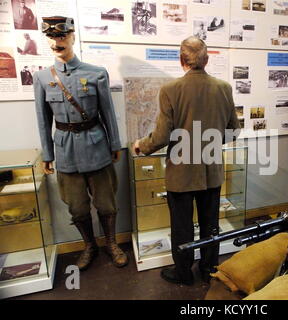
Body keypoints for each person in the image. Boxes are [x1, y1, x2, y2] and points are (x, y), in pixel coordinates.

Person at [133, 36, 240, 285]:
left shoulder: (170, 90)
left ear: (181, 59)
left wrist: (141, 145)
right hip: (211, 170)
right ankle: (209, 268)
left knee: (182, 226)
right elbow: (234, 130)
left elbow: (161, 136)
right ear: (207, 59)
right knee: (210, 224)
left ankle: (183, 273)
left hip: (181, 172)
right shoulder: (223, 88)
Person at [33, 16, 128, 270]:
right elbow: (43, 120)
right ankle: (89, 246)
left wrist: (115, 144)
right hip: (66, 152)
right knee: (76, 207)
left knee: (106, 203)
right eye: (52, 37)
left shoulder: (96, 73)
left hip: (97, 147)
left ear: (73, 37)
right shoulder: (42, 78)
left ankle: (111, 243)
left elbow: (108, 112)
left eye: (62, 36)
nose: (57, 41)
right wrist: (47, 154)